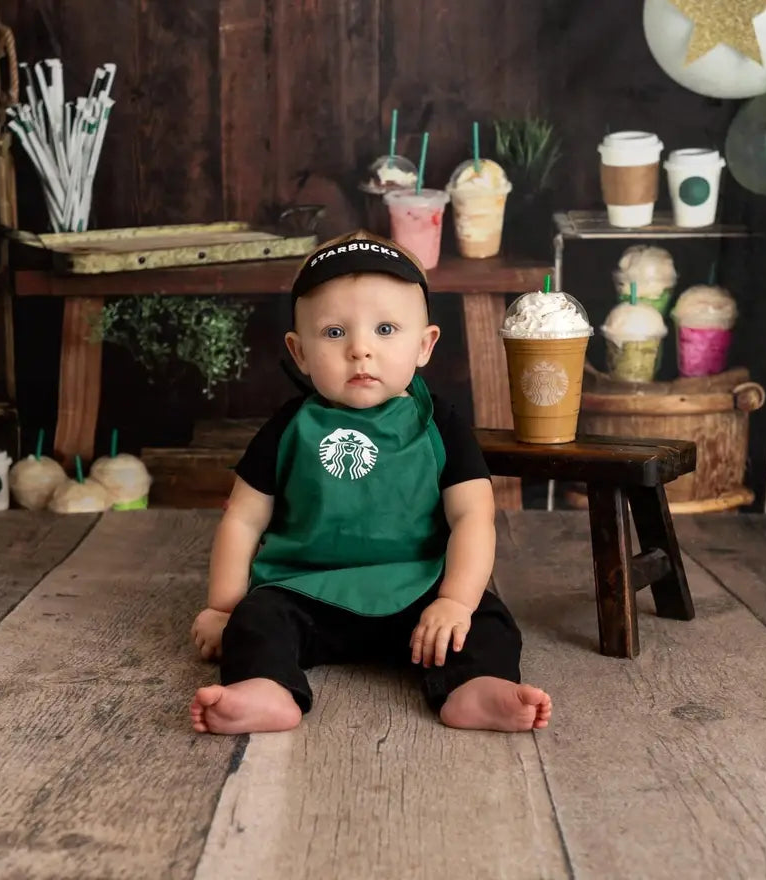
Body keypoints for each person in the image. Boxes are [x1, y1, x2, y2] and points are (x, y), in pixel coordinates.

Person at [189, 230, 551, 735]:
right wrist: (222, 606)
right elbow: (244, 519)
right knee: (259, 619)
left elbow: (472, 517)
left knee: (487, 621)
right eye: (334, 333)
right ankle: (264, 690)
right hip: (305, 593)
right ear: (299, 352)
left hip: (418, 595)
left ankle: (476, 689)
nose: (360, 350)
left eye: (385, 329)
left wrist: (455, 600)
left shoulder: (438, 424)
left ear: (424, 345)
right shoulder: (289, 428)